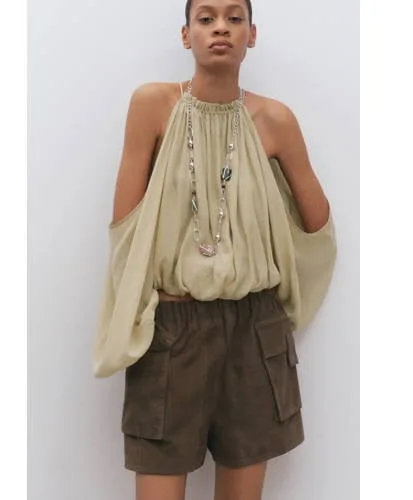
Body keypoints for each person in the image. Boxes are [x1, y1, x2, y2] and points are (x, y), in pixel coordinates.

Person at [93, 0, 337, 499]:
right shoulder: (152, 105)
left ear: (252, 34)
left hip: (253, 328)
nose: (220, 28)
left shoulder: (275, 119)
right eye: (205, 18)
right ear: (186, 35)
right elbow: (126, 228)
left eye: (234, 18)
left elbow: (317, 228)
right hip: (171, 329)